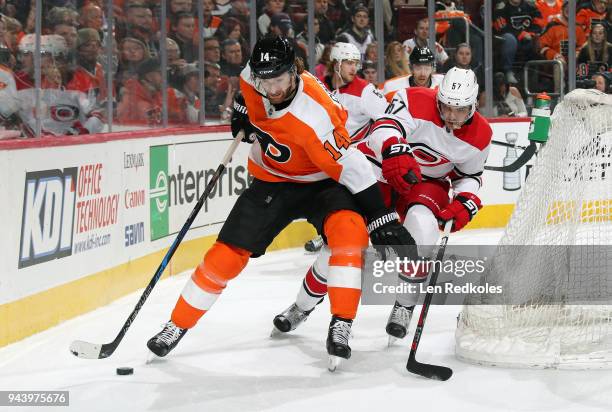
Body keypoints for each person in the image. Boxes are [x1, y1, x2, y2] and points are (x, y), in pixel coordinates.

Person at [146, 36, 417, 370]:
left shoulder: (316, 115)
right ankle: (177, 324)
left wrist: (381, 216)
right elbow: (249, 84)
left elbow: (353, 166)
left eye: (279, 80)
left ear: (295, 71)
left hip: (323, 184)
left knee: (350, 234)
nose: (272, 88)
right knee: (226, 255)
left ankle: (341, 323)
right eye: (265, 81)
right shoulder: (254, 76)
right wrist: (244, 111)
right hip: (272, 180)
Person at [272, 67, 492, 345]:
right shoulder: (415, 98)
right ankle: (302, 306)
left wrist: (466, 199)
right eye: (446, 106)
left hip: (427, 183)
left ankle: (404, 304)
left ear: (473, 105)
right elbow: (382, 129)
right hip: (380, 168)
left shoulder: (481, 135)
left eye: (459, 110)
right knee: (344, 243)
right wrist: (393, 148)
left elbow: (469, 176)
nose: (451, 115)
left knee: (423, 231)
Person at [304, 42, 390, 253]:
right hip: (329, 155)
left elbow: (389, 118)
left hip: (360, 156)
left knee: (352, 194)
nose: (354, 68)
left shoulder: (365, 91)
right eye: (348, 63)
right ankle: (327, 234)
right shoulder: (318, 87)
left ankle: (375, 233)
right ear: (335, 65)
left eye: (355, 63)